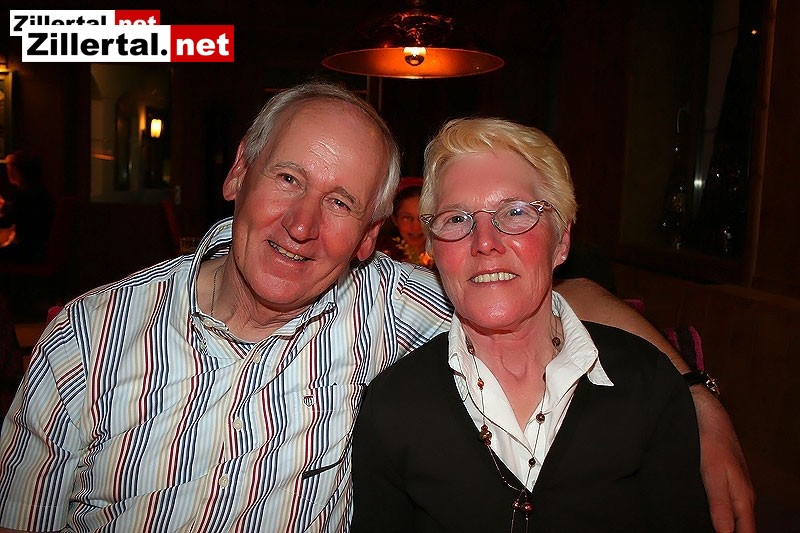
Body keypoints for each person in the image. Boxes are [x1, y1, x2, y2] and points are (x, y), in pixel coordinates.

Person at [0, 82, 753, 533]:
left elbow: (552, 298)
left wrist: (696, 398)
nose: (302, 225)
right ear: (237, 173)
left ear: (369, 236)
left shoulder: (388, 306)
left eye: (340, 203)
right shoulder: (88, 338)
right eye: (287, 179)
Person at [351, 117, 713, 532]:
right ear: (433, 249)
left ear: (561, 241)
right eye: (456, 219)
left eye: (515, 212)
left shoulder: (647, 385)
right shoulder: (392, 406)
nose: (484, 242)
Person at [0, 150, 55, 264]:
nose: (7, 172)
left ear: (16, 169)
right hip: (38, 250)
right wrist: (7, 206)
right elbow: (22, 212)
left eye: (8, 168)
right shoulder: (39, 191)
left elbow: (7, 222)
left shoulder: (23, 193)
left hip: (25, 252)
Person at [376, 177, 434, 267]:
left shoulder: (445, 254)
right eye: (407, 218)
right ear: (395, 219)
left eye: (423, 218)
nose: (416, 227)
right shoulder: (378, 256)